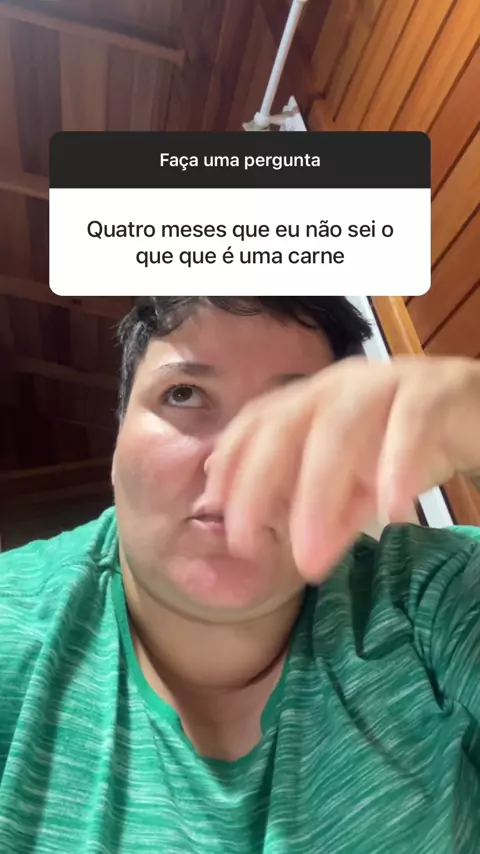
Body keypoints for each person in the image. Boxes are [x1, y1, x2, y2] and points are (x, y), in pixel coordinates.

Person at [1, 296, 479, 854]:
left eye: (292, 414)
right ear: (115, 445)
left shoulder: (431, 596)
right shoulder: (11, 625)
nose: (232, 459)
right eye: (184, 393)